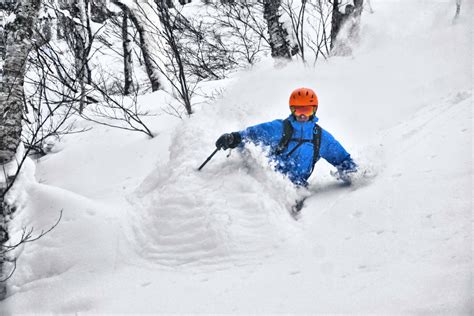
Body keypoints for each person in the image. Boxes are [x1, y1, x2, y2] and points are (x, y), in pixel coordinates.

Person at [215, 88, 357, 186]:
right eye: (298, 110)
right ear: (292, 109)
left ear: (314, 110)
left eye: (306, 110)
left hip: (298, 190)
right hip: (271, 184)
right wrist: (233, 138)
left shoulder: (320, 137)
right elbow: (252, 134)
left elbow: (341, 158)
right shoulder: (279, 128)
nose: (302, 115)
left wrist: (354, 175)